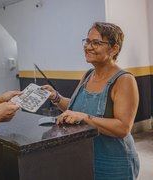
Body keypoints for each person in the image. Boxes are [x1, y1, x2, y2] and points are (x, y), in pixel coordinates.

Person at [42, 22, 140, 179]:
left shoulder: (124, 80)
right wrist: (56, 97)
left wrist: (86, 118)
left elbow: (123, 128)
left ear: (114, 49)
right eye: (87, 41)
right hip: (86, 157)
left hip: (114, 163)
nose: (88, 47)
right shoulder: (88, 75)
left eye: (96, 43)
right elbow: (74, 108)